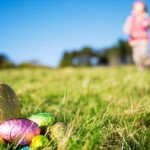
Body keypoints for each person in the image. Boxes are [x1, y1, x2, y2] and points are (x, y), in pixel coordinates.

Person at [123, 0, 150, 70]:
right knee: (136, 57)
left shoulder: (145, 18)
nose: (138, 10)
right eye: (136, 8)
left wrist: (146, 22)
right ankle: (141, 70)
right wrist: (129, 31)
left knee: (143, 54)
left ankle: (147, 62)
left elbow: (148, 25)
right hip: (134, 41)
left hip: (143, 39)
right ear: (133, 9)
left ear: (144, 9)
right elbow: (126, 28)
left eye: (140, 8)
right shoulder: (130, 19)